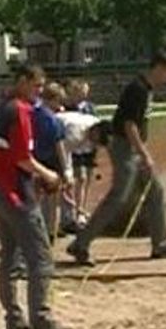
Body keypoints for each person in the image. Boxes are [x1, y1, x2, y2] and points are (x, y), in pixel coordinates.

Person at [68, 50, 166, 265]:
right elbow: (129, 125)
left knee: (155, 191)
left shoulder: (147, 90)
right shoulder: (138, 90)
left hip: (134, 147)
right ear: (158, 68)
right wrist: (144, 153)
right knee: (119, 197)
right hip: (125, 147)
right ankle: (81, 243)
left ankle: (160, 243)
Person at [0, 64, 71, 329]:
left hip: (1, 189)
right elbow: (23, 157)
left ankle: (14, 317)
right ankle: (41, 318)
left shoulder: (3, 109)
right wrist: (49, 174)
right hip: (16, 193)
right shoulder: (20, 112)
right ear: (22, 82)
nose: (40, 91)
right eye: (36, 85)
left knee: (10, 256)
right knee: (40, 256)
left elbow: (11, 156)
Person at [32, 81, 69, 241]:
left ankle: (37, 232)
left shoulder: (32, 113)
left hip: (34, 160)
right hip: (51, 162)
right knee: (53, 202)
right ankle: (50, 233)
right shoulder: (53, 120)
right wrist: (66, 169)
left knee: (35, 199)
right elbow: (59, 144)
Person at [67, 79, 97, 227]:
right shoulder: (67, 107)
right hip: (75, 147)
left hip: (89, 147)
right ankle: (75, 210)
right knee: (80, 178)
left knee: (87, 179)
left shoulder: (90, 107)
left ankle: (82, 208)